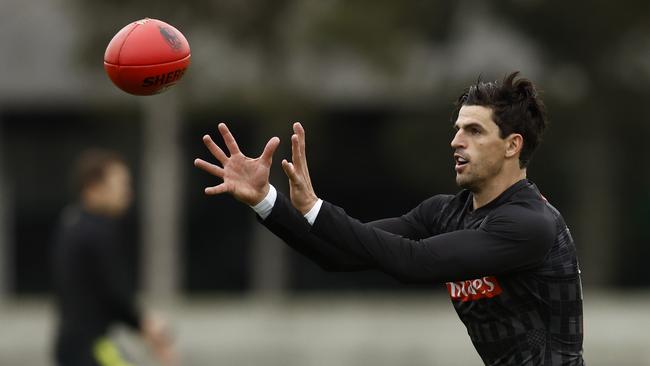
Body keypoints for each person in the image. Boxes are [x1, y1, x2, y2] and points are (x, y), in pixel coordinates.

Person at [194, 72, 584, 365]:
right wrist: (266, 200)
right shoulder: (445, 212)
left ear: (513, 145)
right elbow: (339, 254)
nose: (456, 141)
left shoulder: (529, 225)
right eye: (457, 130)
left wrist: (315, 205)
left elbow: (414, 262)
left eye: (474, 131)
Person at [52, 149, 176, 366]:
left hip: (71, 345)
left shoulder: (70, 222)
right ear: (93, 189)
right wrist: (145, 324)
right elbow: (115, 290)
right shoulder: (98, 230)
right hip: (91, 348)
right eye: (121, 186)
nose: (127, 194)